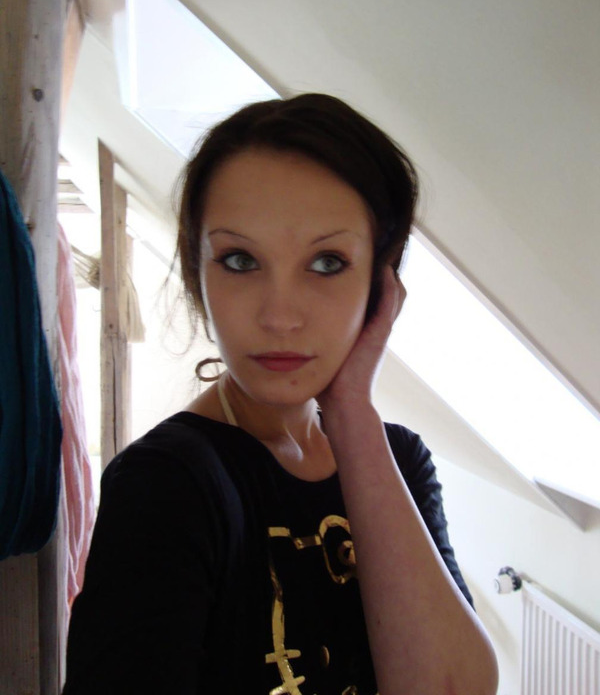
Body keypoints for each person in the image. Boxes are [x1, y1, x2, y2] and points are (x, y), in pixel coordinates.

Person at [63, 94, 498, 694]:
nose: (280, 317)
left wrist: (351, 412)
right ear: (197, 274)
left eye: (327, 263)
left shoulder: (398, 461)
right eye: (241, 260)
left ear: (381, 283)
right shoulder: (166, 485)